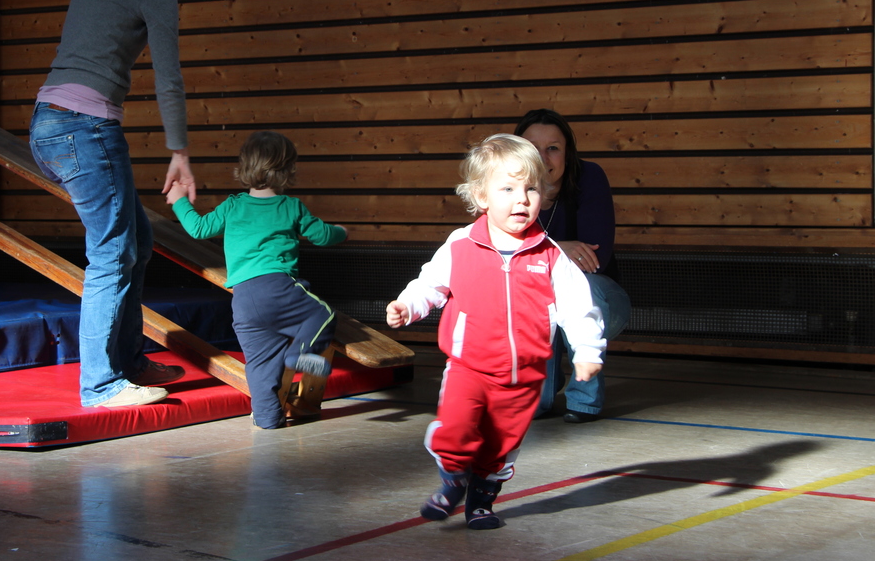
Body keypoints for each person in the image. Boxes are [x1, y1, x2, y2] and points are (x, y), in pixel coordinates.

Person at [29, 0, 211, 409]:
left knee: (138, 241)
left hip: (48, 125)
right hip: (83, 129)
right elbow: (169, 79)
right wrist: (179, 153)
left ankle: (128, 361)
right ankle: (100, 383)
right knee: (112, 252)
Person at [386, 134, 604, 529]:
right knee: (456, 429)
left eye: (531, 189)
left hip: (525, 376)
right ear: (481, 196)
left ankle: (481, 502)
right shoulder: (461, 245)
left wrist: (588, 351)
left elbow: (579, 306)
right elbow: (430, 285)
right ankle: (453, 478)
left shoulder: (550, 255)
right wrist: (407, 306)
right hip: (468, 367)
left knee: (502, 446)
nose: (522, 200)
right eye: (508, 189)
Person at [166, 130, 347, 429]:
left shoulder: (232, 206)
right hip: (279, 289)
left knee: (261, 365)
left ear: (244, 168)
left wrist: (179, 202)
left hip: (244, 302)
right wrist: (342, 231)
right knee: (323, 314)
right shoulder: (290, 206)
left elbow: (198, 228)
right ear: (288, 171)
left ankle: (267, 418)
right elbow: (322, 235)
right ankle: (300, 354)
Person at [515, 108, 633, 423]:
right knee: (525, 293)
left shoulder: (589, 176)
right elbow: (501, 257)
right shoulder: (506, 188)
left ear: (568, 154)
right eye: (532, 148)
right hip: (536, 299)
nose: (542, 157)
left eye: (553, 148)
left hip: (600, 300)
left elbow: (594, 259)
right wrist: (559, 248)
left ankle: (584, 400)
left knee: (578, 288)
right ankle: (538, 397)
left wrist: (536, 254)